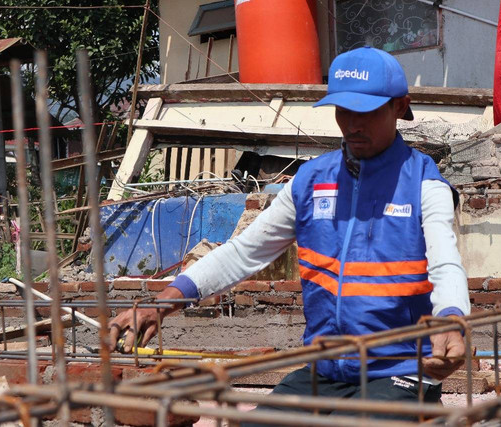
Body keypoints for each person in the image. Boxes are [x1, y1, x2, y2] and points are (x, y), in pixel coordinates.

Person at [109, 46, 470, 420]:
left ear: (399, 106)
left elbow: (445, 262)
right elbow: (243, 252)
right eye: (343, 110)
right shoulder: (310, 182)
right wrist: (163, 302)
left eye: (366, 111)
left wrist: (451, 320)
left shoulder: (424, 184)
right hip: (325, 369)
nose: (352, 124)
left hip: (400, 371)